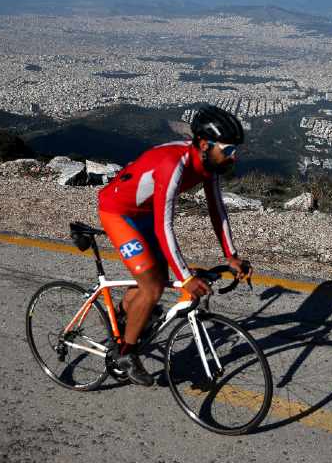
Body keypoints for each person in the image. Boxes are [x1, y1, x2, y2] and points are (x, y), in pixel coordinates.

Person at [97, 105, 253, 386]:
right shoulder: (174, 164)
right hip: (118, 212)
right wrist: (186, 277)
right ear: (205, 144)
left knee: (154, 281)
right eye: (229, 149)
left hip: (142, 215)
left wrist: (232, 255)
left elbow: (217, 210)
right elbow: (163, 225)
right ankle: (126, 353)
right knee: (153, 287)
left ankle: (121, 315)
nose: (234, 155)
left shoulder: (209, 165)